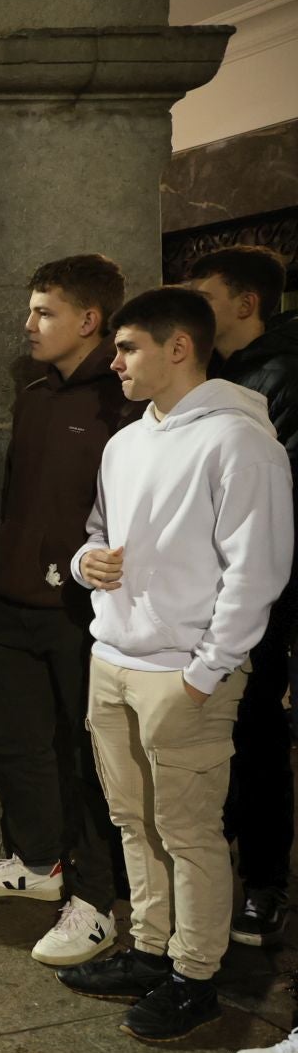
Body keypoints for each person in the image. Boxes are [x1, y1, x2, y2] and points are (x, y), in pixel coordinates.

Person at [62, 287, 292, 1043]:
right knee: (133, 820)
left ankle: (196, 974)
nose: (114, 360)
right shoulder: (126, 441)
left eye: (127, 347)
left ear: (179, 348)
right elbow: (98, 530)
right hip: (114, 654)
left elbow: (256, 570)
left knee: (189, 830)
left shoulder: (239, 441)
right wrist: (83, 561)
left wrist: (208, 668)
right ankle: (153, 949)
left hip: (185, 668)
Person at [0, 255, 139, 966]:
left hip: (82, 609)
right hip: (13, 600)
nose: (28, 325)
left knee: (85, 756)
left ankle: (97, 901)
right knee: (12, 739)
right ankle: (39, 861)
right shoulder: (36, 395)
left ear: (89, 321)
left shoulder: (121, 404)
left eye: (43, 312)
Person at [186, 245, 298, 948]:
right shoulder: (215, 374)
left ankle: (264, 883)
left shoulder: (282, 374)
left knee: (255, 727)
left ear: (247, 303)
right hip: (202, 582)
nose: (199, 310)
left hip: (258, 584)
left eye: (209, 296)